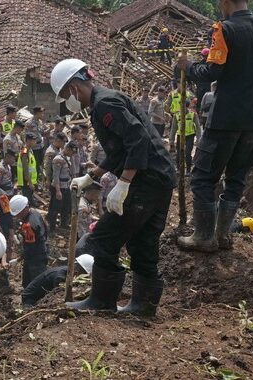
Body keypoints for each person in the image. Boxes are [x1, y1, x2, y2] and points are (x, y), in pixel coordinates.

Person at [50, 58, 176, 316]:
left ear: (74, 86)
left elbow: (137, 140)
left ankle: (102, 301)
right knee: (143, 242)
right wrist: (93, 175)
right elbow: (119, 149)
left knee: (104, 238)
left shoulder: (105, 104)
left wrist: (124, 183)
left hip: (146, 181)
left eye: (65, 96)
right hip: (159, 177)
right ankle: (143, 307)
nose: (68, 103)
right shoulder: (104, 101)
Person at [177, 0, 253, 253]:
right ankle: (223, 236)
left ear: (224, 2)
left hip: (224, 118)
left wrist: (188, 67)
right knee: (236, 178)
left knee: (202, 177)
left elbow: (213, 70)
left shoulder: (223, 29)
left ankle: (204, 236)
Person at [22, 254, 94, 307]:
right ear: (78, 271)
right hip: (30, 299)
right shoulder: (60, 277)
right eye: (85, 274)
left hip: (38, 297)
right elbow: (57, 296)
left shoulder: (66, 272)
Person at [10, 195, 49, 287]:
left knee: (37, 284)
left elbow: (30, 248)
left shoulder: (28, 226)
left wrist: (19, 259)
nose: (17, 216)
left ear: (25, 208)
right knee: (29, 282)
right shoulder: (35, 212)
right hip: (41, 250)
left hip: (36, 258)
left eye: (18, 214)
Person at [50, 140, 77, 232]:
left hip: (66, 185)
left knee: (66, 206)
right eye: (72, 152)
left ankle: (63, 224)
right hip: (59, 186)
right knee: (55, 208)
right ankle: (52, 228)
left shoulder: (67, 157)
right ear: (68, 149)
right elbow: (56, 176)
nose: (72, 155)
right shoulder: (58, 159)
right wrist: (58, 191)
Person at [173, 100, 201, 174]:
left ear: (187, 106)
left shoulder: (193, 114)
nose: (182, 108)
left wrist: (198, 138)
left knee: (188, 153)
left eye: (184, 106)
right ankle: (178, 168)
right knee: (179, 152)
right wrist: (171, 139)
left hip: (190, 135)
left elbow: (198, 127)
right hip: (180, 135)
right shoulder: (177, 115)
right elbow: (173, 128)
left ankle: (188, 170)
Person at [168, 84, 194, 151]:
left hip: (187, 114)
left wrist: (191, 108)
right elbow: (167, 105)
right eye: (179, 84)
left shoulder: (188, 93)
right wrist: (171, 111)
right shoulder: (172, 94)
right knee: (173, 130)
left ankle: (184, 150)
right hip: (175, 115)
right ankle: (172, 146)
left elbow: (193, 101)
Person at [17, 132, 39, 205]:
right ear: (28, 141)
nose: (35, 142)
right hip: (26, 181)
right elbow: (25, 169)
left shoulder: (30, 150)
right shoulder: (25, 152)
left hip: (30, 181)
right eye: (34, 140)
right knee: (27, 201)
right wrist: (29, 182)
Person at [25, 106, 46, 178]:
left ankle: (40, 178)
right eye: (41, 113)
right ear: (37, 113)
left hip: (41, 146)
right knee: (35, 164)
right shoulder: (29, 123)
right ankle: (35, 179)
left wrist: (50, 129)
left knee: (42, 163)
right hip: (34, 147)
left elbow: (43, 133)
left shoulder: (40, 122)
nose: (43, 115)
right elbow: (27, 136)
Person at [195, 48, 212, 114]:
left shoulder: (211, 63)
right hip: (202, 86)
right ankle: (200, 113)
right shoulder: (201, 64)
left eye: (206, 56)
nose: (205, 58)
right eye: (204, 56)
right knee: (201, 101)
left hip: (207, 86)